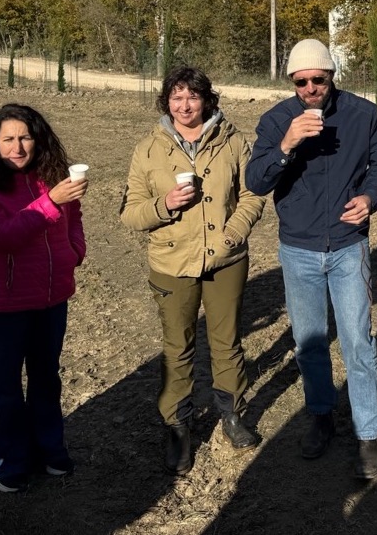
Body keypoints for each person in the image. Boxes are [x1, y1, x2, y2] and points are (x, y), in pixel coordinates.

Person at [246, 39, 377, 480]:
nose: (311, 88)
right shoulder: (276, 120)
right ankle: (320, 415)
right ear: (292, 82)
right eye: (302, 82)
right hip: (299, 248)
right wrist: (286, 145)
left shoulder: (361, 114)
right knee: (310, 341)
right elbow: (256, 181)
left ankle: (368, 434)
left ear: (332, 76)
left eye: (319, 79)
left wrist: (371, 196)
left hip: (349, 245)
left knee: (358, 343)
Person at [120, 67, 266, 474]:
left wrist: (233, 235)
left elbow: (253, 195)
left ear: (207, 100)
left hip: (225, 259)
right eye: (176, 97)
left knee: (227, 342)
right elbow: (131, 214)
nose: (185, 106)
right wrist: (164, 204)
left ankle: (233, 415)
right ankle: (177, 427)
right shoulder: (147, 149)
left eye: (193, 97)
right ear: (166, 102)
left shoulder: (233, 142)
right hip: (171, 263)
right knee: (177, 347)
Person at [0, 104, 87, 493]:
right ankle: (11, 460)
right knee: (5, 386)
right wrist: (51, 204)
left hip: (52, 297)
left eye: (25, 137)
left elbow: (74, 216)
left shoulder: (51, 175)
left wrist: (73, 251)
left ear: (38, 139)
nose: (18, 147)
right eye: (8, 139)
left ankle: (50, 448)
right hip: (4, 303)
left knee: (47, 377)